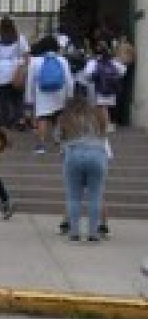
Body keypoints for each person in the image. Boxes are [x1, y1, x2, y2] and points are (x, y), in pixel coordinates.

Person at [56, 93, 109, 243]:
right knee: (95, 197)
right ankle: (93, 233)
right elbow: (105, 136)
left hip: (73, 153)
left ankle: (74, 233)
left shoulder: (65, 118)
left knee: (73, 197)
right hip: (97, 154)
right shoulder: (97, 117)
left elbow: (58, 138)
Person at [23, 35, 74, 154]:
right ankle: (60, 141)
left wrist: (29, 98)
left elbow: (30, 80)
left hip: (42, 93)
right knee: (59, 115)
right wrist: (70, 95)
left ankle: (41, 145)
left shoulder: (35, 61)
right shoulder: (62, 60)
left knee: (42, 118)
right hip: (59, 92)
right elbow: (68, 79)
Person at [0, 16, 30, 130]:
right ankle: (19, 120)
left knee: (3, 100)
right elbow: (27, 57)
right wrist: (23, 68)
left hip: (1, 74)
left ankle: (5, 123)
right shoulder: (20, 39)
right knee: (18, 99)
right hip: (16, 72)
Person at [79, 42, 127, 130]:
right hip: (111, 88)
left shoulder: (93, 62)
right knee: (105, 107)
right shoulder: (112, 62)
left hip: (98, 88)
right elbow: (123, 71)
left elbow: (87, 74)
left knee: (100, 107)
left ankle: (105, 125)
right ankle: (105, 124)